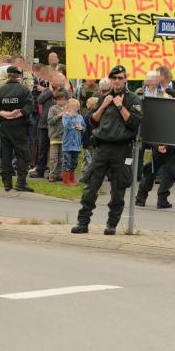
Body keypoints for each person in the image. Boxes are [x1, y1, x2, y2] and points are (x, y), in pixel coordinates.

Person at [73, 65, 141, 235]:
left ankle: (111, 224)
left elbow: (134, 123)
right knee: (91, 187)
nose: (117, 81)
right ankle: (83, 223)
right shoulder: (104, 97)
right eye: (114, 78)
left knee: (118, 189)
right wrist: (104, 105)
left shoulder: (133, 99)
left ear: (125, 79)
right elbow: (93, 121)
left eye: (120, 78)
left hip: (122, 149)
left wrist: (119, 106)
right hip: (102, 147)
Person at [0, 65, 35, 192]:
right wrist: (17, 114)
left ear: (8, 75)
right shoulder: (24, 90)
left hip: (4, 125)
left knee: (5, 153)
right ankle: (21, 183)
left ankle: (7, 183)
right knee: (23, 154)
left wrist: (6, 114)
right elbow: (30, 106)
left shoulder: (0, 91)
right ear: (19, 76)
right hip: (19, 126)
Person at [61, 98, 86, 186]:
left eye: (76, 106)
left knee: (74, 162)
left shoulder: (80, 117)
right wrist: (70, 116)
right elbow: (66, 126)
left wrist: (81, 128)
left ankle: (72, 179)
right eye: (72, 106)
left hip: (77, 144)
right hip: (68, 144)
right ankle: (66, 180)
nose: (74, 108)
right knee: (66, 162)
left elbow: (84, 128)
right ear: (67, 107)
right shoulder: (65, 116)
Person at [46, 89, 69, 183]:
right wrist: (59, 115)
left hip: (64, 136)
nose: (61, 101)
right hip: (54, 136)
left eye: (62, 99)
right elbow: (50, 121)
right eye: (58, 99)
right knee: (53, 157)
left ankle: (59, 174)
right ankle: (52, 174)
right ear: (55, 100)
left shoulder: (68, 109)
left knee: (62, 157)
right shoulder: (52, 109)